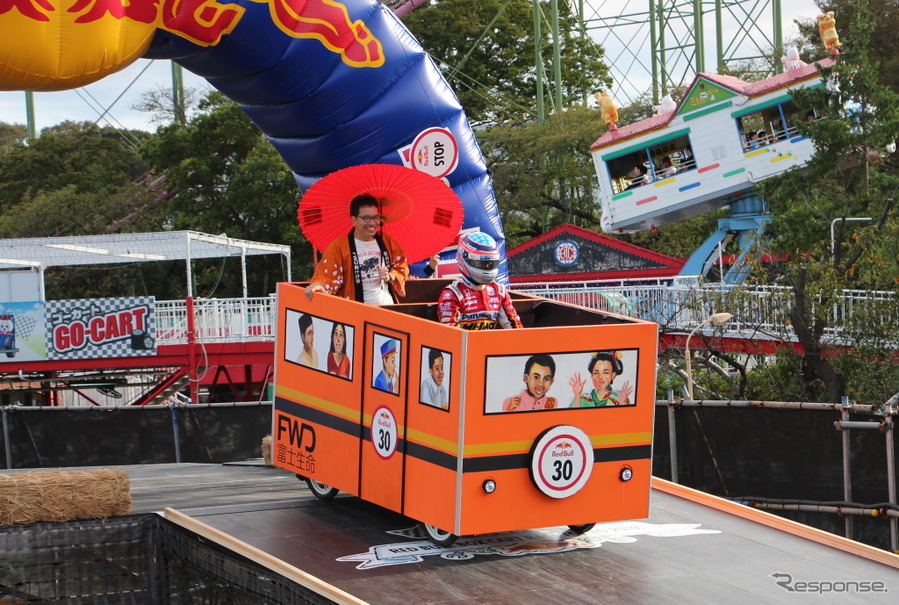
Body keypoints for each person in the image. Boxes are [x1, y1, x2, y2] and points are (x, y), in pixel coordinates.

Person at [305, 194, 409, 304]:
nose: (373, 223)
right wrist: (317, 285)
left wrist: (390, 276)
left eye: (376, 217)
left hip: (388, 308)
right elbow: (327, 277)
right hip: (356, 312)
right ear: (354, 220)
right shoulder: (339, 246)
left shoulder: (387, 241)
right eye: (366, 218)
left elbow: (401, 266)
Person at [437, 232, 523, 330]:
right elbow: (450, 333)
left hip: (491, 344)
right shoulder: (453, 293)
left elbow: (516, 328)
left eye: (490, 263)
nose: (487, 267)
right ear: (464, 258)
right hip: (464, 344)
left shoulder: (499, 291)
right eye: (481, 263)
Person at [568, 351, 633, 407]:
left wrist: (623, 403)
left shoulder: (620, 397)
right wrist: (577, 395)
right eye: (596, 373)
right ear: (591, 375)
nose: (600, 377)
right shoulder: (582, 398)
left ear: (613, 375)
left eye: (606, 373)